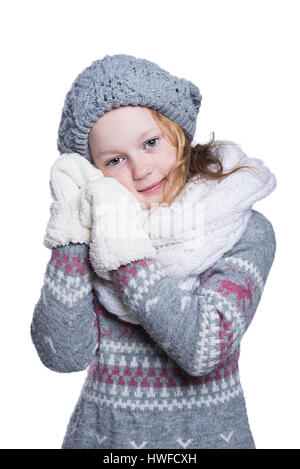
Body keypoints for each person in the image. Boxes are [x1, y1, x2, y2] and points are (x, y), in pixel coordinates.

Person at [30, 54, 277, 449]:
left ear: (176, 130)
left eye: (150, 143)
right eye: (115, 160)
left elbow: (203, 347)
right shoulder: (95, 228)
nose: (141, 169)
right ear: (92, 171)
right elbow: (63, 355)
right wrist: (72, 233)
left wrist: (126, 253)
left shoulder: (243, 228)